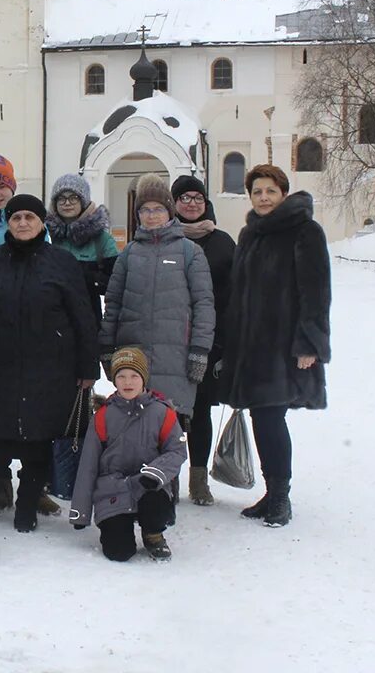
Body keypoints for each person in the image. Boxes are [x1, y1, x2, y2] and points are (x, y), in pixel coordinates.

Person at [0, 194, 99, 532]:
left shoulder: (62, 264)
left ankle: (28, 505)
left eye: (29, 218)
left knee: (38, 442)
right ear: (9, 222)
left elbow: (83, 318)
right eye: (16, 218)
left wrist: (87, 368)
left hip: (49, 370)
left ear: (41, 222)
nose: (22, 224)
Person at [219, 165, 331, 528]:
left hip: (283, 347)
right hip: (251, 348)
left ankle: (280, 497)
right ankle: (272, 493)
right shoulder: (250, 234)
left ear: (283, 193)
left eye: (270, 191)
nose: (263, 198)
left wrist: (309, 343)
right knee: (262, 417)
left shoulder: (305, 232)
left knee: (270, 419)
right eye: (257, 192)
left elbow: (315, 293)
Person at [99, 173, 215, 423]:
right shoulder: (129, 253)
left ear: (170, 212)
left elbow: (203, 304)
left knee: (168, 430)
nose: (151, 215)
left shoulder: (189, 252)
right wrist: (107, 347)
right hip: (134, 357)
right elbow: (113, 304)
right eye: (145, 209)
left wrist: (199, 350)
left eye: (158, 209)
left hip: (176, 358)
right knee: (133, 430)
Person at [68, 348, 187, 562]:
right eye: (121, 376)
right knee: (119, 553)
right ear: (114, 380)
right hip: (113, 490)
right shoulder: (102, 417)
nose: (128, 382)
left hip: (149, 486)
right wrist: (80, 512)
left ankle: (153, 533)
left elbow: (177, 450)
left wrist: (155, 473)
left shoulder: (162, 413)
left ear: (144, 379)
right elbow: (88, 466)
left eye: (134, 376)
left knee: (155, 506)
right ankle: (120, 527)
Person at [170, 174, 236, 506]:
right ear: (175, 203)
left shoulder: (223, 242)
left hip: (210, 341)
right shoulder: (164, 239)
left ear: (205, 202)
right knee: (166, 413)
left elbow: (235, 294)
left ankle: (198, 480)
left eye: (197, 197)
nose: (191, 203)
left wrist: (228, 340)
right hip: (169, 340)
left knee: (200, 413)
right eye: (184, 198)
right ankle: (166, 478)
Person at [45, 173, 119, 325]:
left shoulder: (102, 240)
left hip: (88, 320)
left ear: (83, 201)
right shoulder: (45, 236)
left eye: (73, 197)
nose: (67, 203)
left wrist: (85, 277)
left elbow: (114, 284)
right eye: (61, 198)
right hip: (50, 321)